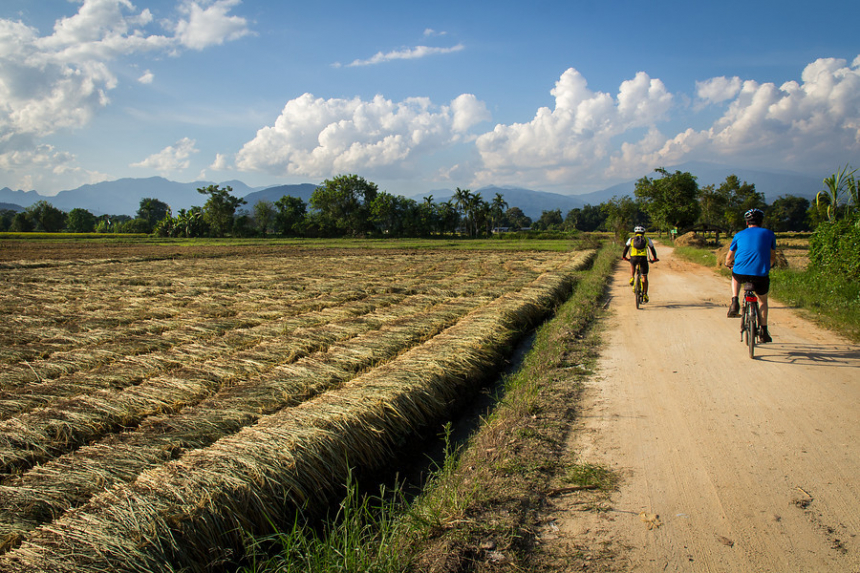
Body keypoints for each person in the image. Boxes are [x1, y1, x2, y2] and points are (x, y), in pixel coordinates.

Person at [725, 208, 777, 342]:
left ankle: (734, 300)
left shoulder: (739, 235)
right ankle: (764, 331)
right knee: (762, 301)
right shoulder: (769, 234)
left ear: (747, 222)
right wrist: (770, 265)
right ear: (761, 221)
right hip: (760, 274)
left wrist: (727, 263)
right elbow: (772, 256)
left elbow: (730, 256)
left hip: (741, 273)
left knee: (734, 273)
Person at [622, 225, 659, 302]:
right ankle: (645, 294)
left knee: (632, 265)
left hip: (634, 257)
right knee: (644, 276)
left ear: (635, 232)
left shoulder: (631, 239)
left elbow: (626, 249)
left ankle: (632, 277)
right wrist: (654, 258)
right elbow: (652, 249)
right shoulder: (647, 239)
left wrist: (624, 257)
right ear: (644, 232)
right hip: (643, 258)